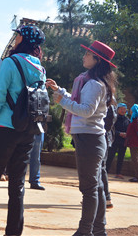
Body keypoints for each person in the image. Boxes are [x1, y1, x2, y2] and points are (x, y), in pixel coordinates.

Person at [0, 25, 46, 236]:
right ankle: (14, 232)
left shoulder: (10, 63)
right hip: (28, 130)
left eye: (17, 35)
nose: (14, 38)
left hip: (5, 129)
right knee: (17, 184)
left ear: (23, 39)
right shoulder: (40, 68)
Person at [47, 40, 117, 236]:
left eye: (88, 54)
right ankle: (98, 229)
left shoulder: (94, 84)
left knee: (89, 188)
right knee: (96, 186)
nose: (84, 56)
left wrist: (62, 101)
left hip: (89, 139)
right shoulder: (91, 82)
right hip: (92, 138)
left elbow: (85, 110)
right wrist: (60, 91)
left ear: (97, 60)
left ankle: (85, 231)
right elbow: (80, 101)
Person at [106, 103, 129, 179]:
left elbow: (129, 130)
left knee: (121, 157)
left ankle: (118, 173)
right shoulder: (114, 119)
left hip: (123, 142)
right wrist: (119, 133)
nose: (123, 111)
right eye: (121, 109)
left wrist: (126, 134)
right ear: (117, 109)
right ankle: (105, 171)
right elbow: (110, 129)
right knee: (110, 156)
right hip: (114, 141)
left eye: (124, 109)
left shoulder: (127, 120)